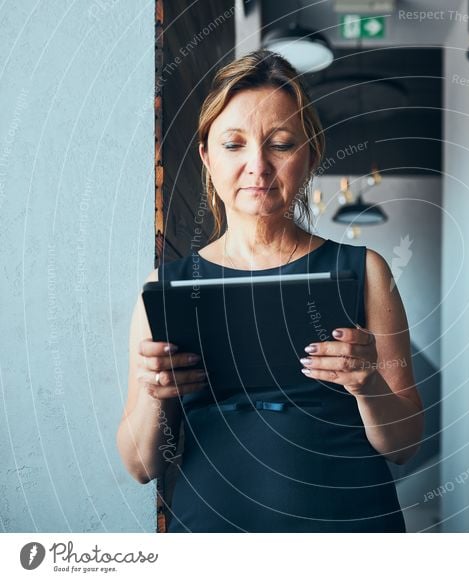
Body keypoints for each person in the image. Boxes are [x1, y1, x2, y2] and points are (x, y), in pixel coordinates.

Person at [116, 49, 424, 532]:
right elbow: (139, 466)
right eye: (234, 144)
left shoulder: (364, 271)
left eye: (280, 144)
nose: (258, 166)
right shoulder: (166, 287)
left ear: (311, 155)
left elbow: (405, 445)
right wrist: (157, 396)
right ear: (207, 156)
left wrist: (368, 385)